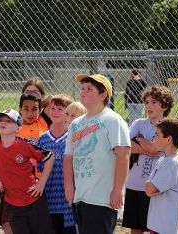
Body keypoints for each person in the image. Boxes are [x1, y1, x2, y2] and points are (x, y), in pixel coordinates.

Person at [63, 74, 131, 234]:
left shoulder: (112, 120)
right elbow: (68, 158)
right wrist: (69, 186)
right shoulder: (76, 124)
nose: (83, 92)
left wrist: (117, 189)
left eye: (89, 89)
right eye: (82, 88)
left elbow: (123, 155)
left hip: (102, 198)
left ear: (103, 94)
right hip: (80, 196)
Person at [0, 108, 55, 234]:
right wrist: (0, 178)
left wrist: (41, 183)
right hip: (12, 203)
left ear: (18, 128)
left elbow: (50, 157)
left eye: (8, 121)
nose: (3, 123)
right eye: (1, 120)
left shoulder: (25, 145)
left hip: (34, 199)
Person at [122, 86, 174, 234]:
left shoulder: (168, 127)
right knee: (136, 226)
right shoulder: (139, 123)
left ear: (164, 106)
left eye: (154, 102)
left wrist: (140, 141)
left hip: (154, 186)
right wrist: (148, 150)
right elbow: (126, 145)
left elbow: (157, 149)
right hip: (134, 183)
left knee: (154, 227)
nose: (148, 106)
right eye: (146, 102)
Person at [37, 94, 77, 234]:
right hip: (50, 198)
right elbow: (40, 170)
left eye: (60, 109)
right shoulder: (42, 139)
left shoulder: (73, 137)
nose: (54, 112)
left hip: (68, 200)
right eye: (52, 108)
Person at [145, 118, 178, 234]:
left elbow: (149, 189)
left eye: (157, 135)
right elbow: (150, 188)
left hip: (165, 227)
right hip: (157, 224)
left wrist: (150, 186)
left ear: (169, 139)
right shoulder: (163, 158)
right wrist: (151, 186)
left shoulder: (173, 163)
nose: (154, 139)